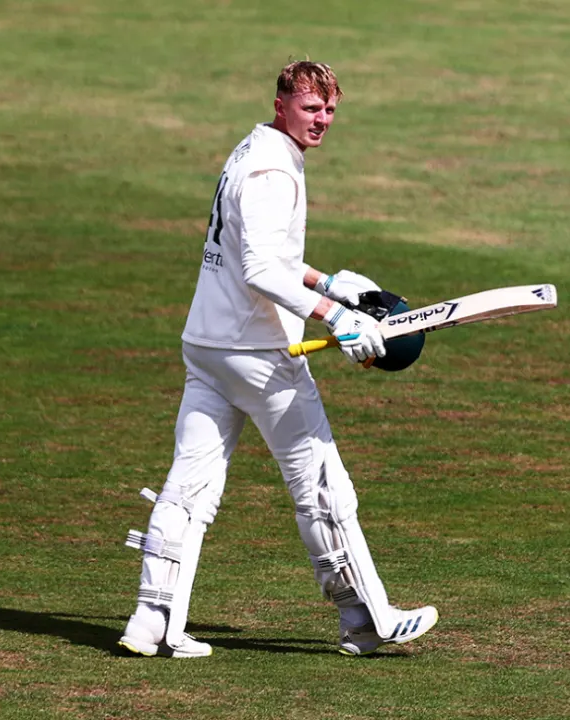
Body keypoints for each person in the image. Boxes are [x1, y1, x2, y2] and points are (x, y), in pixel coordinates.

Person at [118, 61, 438, 658]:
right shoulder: (273, 171)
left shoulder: (253, 150)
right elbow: (260, 269)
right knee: (321, 485)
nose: (322, 121)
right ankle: (367, 620)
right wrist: (336, 318)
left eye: (330, 111)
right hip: (260, 354)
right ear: (282, 102)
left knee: (190, 487)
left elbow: (262, 249)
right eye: (311, 108)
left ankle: (151, 620)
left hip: (209, 345)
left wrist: (333, 282)